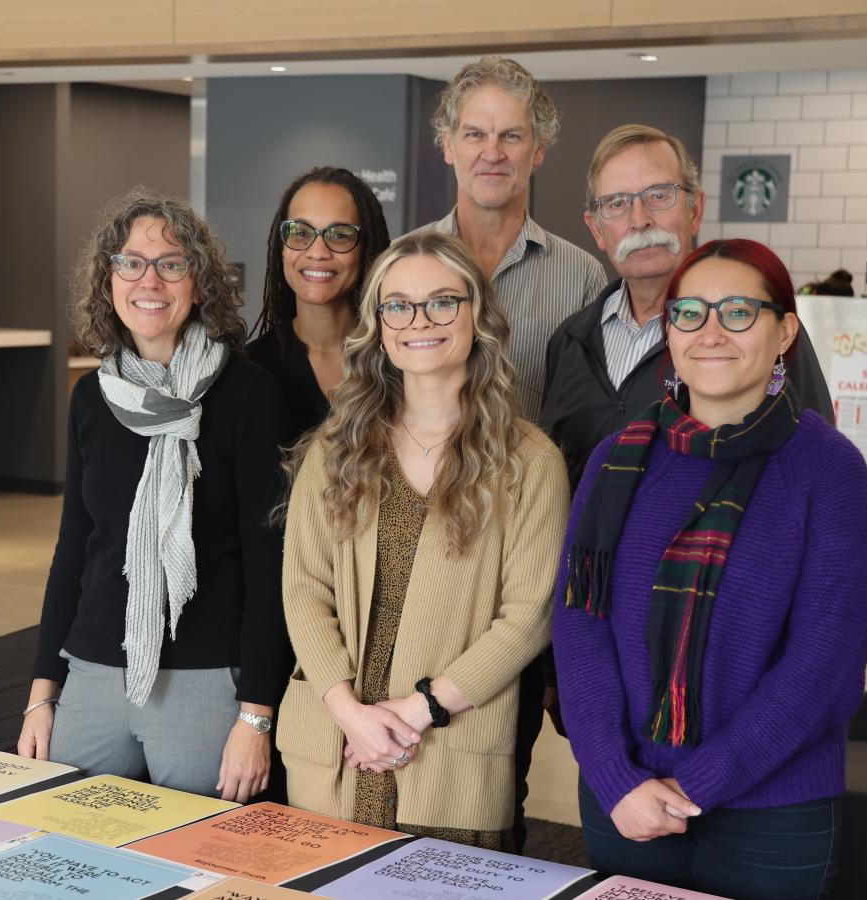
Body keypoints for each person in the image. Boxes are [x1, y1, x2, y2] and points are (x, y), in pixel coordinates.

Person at [551, 239, 867, 899]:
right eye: (691, 313)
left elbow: (827, 660)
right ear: (668, 332)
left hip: (772, 811)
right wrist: (616, 777)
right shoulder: (617, 460)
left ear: (784, 330)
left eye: (738, 313)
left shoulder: (827, 468)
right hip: (626, 805)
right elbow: (579, 624)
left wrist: (695, 785)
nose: (710, 333)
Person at [278, 230, 569, 850]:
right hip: (336, 748)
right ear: (378, 323)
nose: (420, 321)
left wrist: (415, 714)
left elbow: (529, 617)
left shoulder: (529, 460)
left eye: (442, 301)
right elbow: (304, 592)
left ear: (477, 314)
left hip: (446, 752)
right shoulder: (335, 449)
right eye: (399, 305)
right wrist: (351, 713)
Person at [18, 189, 292, 804]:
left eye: (172, 264)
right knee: (72, 844)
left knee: (204, 852)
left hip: (202, 674)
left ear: (199, 282)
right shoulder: (92, 397)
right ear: (108, 278)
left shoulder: (248, 394)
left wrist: (256, 716)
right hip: (94, 667)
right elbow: (73, 553)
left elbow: (269, 566)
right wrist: (43, 695)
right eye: (131, 263)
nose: (150, 280)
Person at [412, 54, 607, 846]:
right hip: (415, 552)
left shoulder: (581, 278)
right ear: (447, 146)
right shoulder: (406, 264)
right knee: (402, 758)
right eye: (476, 133)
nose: (493, 150)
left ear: (538, 150)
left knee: (495, 778)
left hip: (521, 568)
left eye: (512, 135)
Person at [540, 124, 834, 492]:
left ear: (695, 210)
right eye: (616, 203)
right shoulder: (569, 342)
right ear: (597, 229)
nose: (639, 219)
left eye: (659, 195)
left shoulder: (753, 331)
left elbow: (815, 464)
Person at [248, 167, 392, 446]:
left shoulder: (398, 359)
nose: (317, 252)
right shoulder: (253, 369)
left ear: (366, 248)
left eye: (339, 235)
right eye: (300, 232)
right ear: (282, 247)